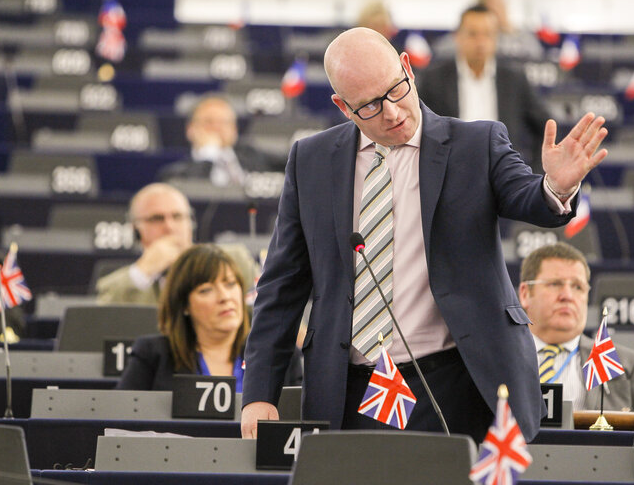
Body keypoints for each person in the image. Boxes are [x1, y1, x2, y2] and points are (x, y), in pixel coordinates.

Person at [240, 27, 607, 443]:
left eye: (396, 90)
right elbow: (282, 285)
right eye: (370, 107)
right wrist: (259, 394)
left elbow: (529, 199)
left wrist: (556, 187)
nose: (392, 112)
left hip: (460, 382)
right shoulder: (310, 160)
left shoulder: (477, 143)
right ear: (343, 107)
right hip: (351, 390)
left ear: (407, 68)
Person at [117, 244, 301, 392]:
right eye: (206, 290)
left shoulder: (281, 354)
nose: (224, 297)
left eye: (230, 284)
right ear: (184, 305)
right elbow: (117, 424)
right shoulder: (153, 355)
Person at [518, 242, 634, 412]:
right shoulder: (497, 357)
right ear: (525, 294)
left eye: (577, 287)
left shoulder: (628, 365)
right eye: (555, 284)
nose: (567, 296)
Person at [418, 4, 550, 172]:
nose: (480, 42)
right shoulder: (434, 78)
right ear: (457, 37)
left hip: (502, 176)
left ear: (496, 38)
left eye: (487, 34)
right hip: (449, 175)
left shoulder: (513, 79)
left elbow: (545, 124)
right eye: (473, 34)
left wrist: (534, 173)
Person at [96, 182, 257, 305]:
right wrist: (143, 271)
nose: (169, 227)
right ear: (136, 230)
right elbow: (102, 321)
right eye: (157, 219)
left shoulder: (233, 260)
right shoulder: (122, 284)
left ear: (191, 224)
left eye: (178, 217)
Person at [157, 93, 280, 187]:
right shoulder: (175, 174)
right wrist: (208, 154)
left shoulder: (254, 157)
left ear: (235, 130)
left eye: (224, 122)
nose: (216, 128)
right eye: (208, 121)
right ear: (190, 129)